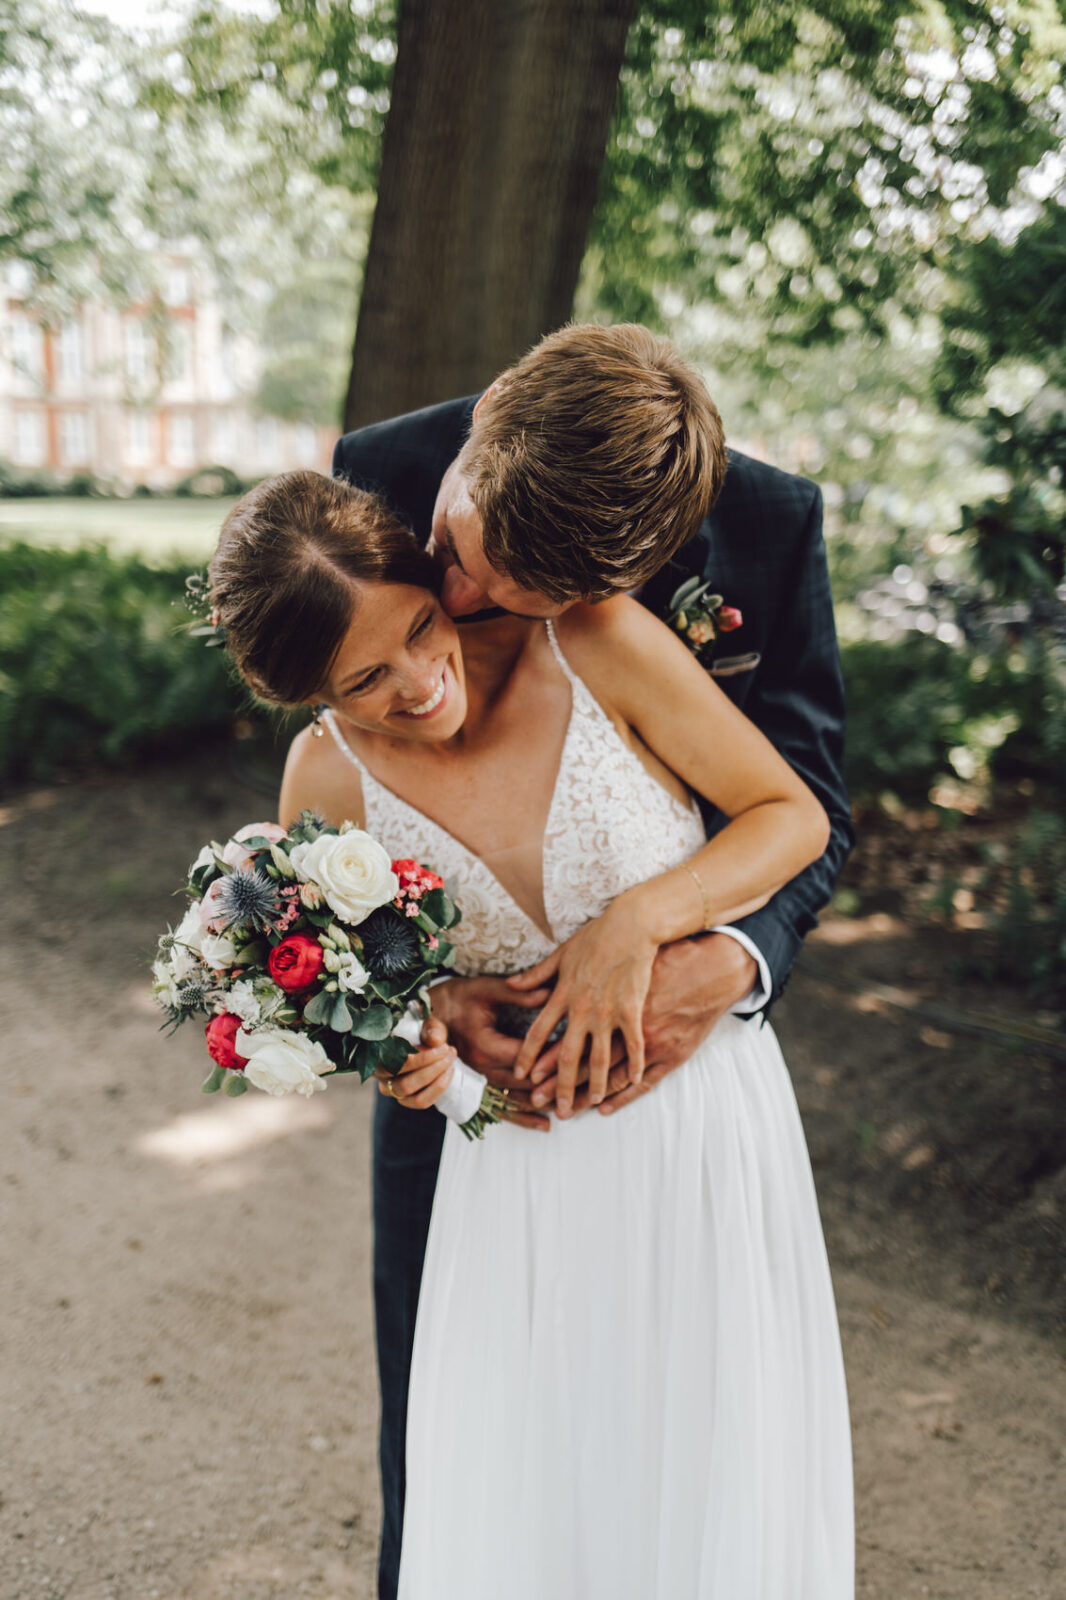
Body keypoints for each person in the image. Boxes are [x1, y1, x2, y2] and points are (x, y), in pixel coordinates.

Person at [208, 341, 855, 1593]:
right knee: (470, 1451)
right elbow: (347, 920)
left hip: (689, 1107)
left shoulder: (721, 558)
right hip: (493, 1135)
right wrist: (424, 1008)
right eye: (454, 558)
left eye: (513, 591)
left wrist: (695, 948)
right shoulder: (369, 494)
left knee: (704, 1448)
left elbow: (801, 801)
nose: (465, 603)